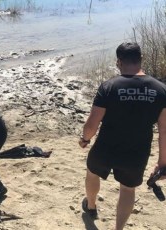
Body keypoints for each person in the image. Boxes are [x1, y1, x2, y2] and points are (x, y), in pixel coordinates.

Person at [79, 42, 166, 230]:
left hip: (105, 148)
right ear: (141, 59)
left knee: (92, 172)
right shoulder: (160, 90)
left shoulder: (109, 87)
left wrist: (85, 139)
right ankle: (119, 228)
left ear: (118, 62)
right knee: (128, 189)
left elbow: (92, 125)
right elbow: (164, 131)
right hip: (136, 152)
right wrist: (162, 162)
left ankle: (91, 206)